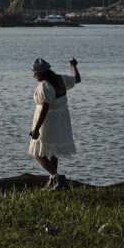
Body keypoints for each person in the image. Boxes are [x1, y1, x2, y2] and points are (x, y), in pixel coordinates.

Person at [28, 57, 81, 189]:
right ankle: (54, 180)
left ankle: (57, 177)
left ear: (40, 73)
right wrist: (73, 66)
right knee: (52, 151)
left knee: (38, 154)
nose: (35, 76)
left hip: (48, 121)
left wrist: (36, 129)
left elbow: (45, 108)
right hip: (61, 119)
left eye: (35, 74)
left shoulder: (44, 86)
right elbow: (77, 78)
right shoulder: (60, 79)